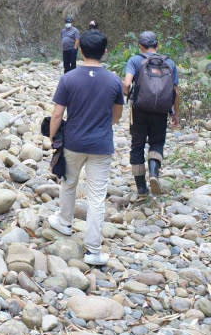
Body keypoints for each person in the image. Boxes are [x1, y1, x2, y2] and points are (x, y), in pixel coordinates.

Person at [46, 29, 124, 266]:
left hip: (74, 142)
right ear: (105, 52)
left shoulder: (69, 78)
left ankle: (65, 222)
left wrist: (52, 137)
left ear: (79, 49)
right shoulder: (113, 80)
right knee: (97, 197)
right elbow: (117, 115)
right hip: (101, 144)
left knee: (69, 183)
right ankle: (93, 251)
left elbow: (58, 113)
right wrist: (100, 126)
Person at [123, 31, 180, 196]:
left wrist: (128, 96)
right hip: (161, 111)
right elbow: (176, 91)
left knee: (137, 146)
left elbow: (127, 84)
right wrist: (175, 113)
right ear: (158, 45)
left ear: (140, 46)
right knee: (157, 142)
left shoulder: (135, 60)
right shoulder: (170, 63)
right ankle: (154, 173)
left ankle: (141, 188)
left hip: (139, 110)